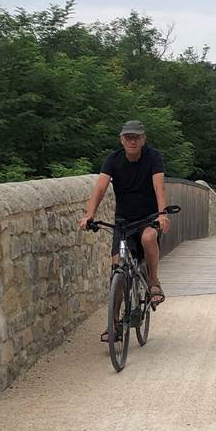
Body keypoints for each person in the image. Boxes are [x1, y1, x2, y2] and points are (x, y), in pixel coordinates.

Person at [78, 120, 171, 338]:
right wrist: (89, 214)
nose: (132, 141)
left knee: (149, 238)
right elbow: (100, 188)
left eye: (136, 137)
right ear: (121, 139)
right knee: (117, 269)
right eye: (128, 137)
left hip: (148, 218)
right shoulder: (113, 160)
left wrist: (162, 213)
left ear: (143, 139)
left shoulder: (153, 157)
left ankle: (153, 282)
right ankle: (113, 324)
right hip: (123, 222)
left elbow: (159, 187)